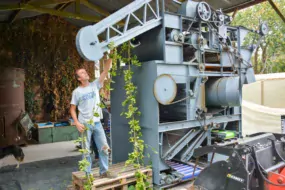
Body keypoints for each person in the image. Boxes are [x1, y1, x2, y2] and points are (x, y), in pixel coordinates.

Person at [70, 54, 116, 178]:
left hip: (97, 123)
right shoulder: (77, 92)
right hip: (84, 124)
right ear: (79, 78)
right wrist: (76, 123)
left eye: (85, 72)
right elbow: (72, 109)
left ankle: (104, 171)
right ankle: (87, 175)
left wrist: (110, 55)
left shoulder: (95, 85)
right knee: (86, 152)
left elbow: (105, 70)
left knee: (104, 148)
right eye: (83, 73)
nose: (86, 74)